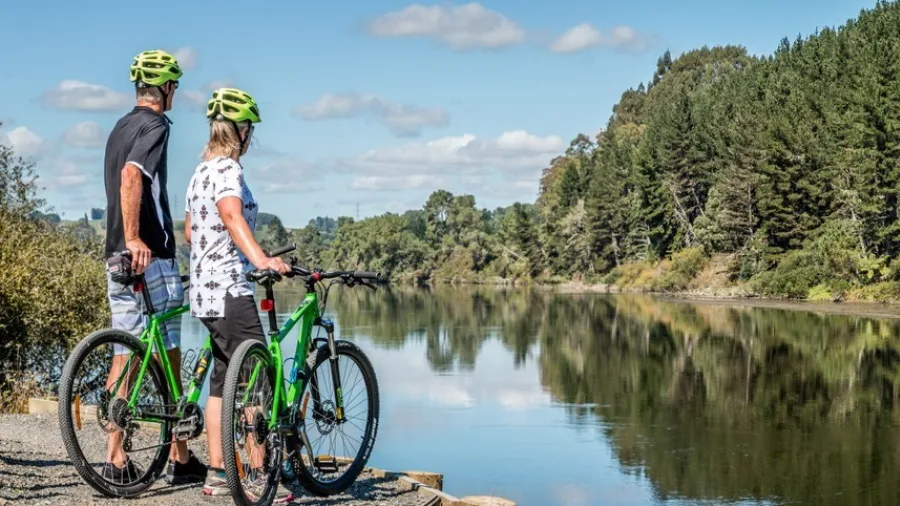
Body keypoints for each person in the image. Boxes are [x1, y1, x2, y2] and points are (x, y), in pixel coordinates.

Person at [102, 48, 207, 485]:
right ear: (166, 89)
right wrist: (137, 238)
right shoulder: (155, 124)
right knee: (168, 350)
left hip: (116, 258)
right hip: (151, 256)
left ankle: (116, 457)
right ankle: (180, 457)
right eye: (175, 87)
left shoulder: (119, 125)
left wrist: (124, 243)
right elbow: (131, 176)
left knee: (124, 351)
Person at [184, 87, 292, 501]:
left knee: (222, 381)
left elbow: (192, 232)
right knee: (257, 381)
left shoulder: (200, 172)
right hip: (230, 288)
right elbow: (231, 216)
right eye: (249, 129)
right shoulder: (228, 171)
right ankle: (258, 475)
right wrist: (261, 259)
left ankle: (216, 471)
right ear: (240, 130)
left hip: (205, 293)